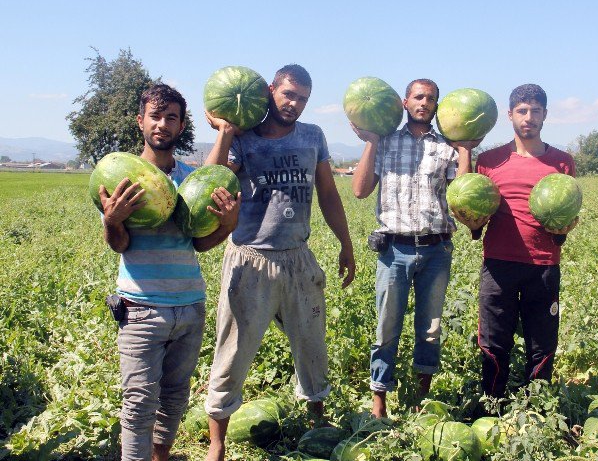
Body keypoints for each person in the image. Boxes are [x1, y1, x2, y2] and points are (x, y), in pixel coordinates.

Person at [203, 64, 356, 461]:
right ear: (271, 90)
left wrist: (346, 244)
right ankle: (216, 443)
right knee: (232, 352)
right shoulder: (244, 138)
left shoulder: (312, 137)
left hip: (297, 260)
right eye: (289, 94)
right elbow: (210, 183)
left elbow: (328, 195)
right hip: (250, 259)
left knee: (312, 347)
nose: (294, 104)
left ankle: (317, 422)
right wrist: (225, 133)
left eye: (303, 98)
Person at [96, 84, 240, 461]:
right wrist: (112, 219)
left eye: (171, 117)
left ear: (180, 125)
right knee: (139, 404)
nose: (162, 124)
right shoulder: (121, 178)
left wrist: (227, 226)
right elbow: (119, 244)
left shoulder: (193, 179)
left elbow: (198, 243)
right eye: (155, 116)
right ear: (140, 120)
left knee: (174, 400)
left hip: (190, 307)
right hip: (141, 309)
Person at [351, 78, 479, 418]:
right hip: (394, 250)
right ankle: (379, 400)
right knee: (387, 327)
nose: (424, 103)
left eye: (431, 99)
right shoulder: (386, 143)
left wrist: (466, 151)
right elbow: (360, 190)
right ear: (405, 103)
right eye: (418, 97)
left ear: (437, 106)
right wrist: (371, 143)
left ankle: (421, 398)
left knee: (430, 327)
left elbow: (462, 194)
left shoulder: (446, 148)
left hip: (436, 249)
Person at [458, 83, 578, 398]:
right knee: (495, 341)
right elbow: (479, 217)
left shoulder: (562, 163)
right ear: (510, 115)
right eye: (522, 111)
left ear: (545, 115)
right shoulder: (488, 162)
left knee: (542, 343)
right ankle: (492, 405)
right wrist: (472, 225)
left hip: (543, 265)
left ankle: (537, 410)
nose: (529, 118)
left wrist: (563, 231)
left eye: (535, 111)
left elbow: (563, 216)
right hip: (498, 265)